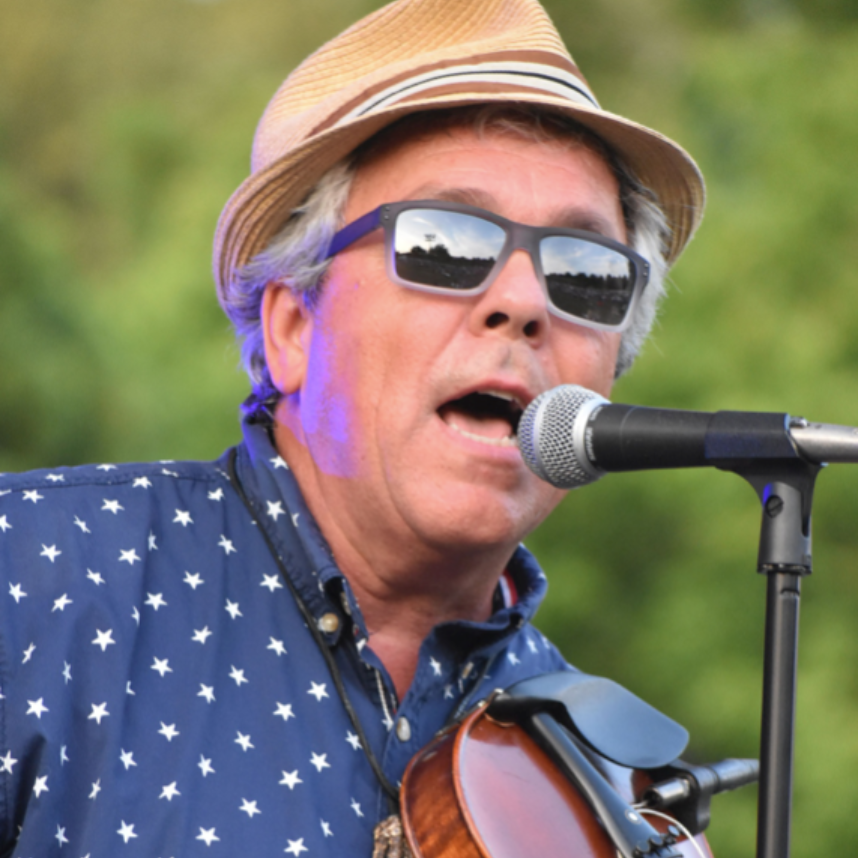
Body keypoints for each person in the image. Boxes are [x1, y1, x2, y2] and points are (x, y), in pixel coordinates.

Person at [0, 0, 707, 854]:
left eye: (585, 272)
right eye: (446, 245)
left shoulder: (607, 781)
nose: (524, 302)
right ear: (293, 328)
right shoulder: (35, 579)